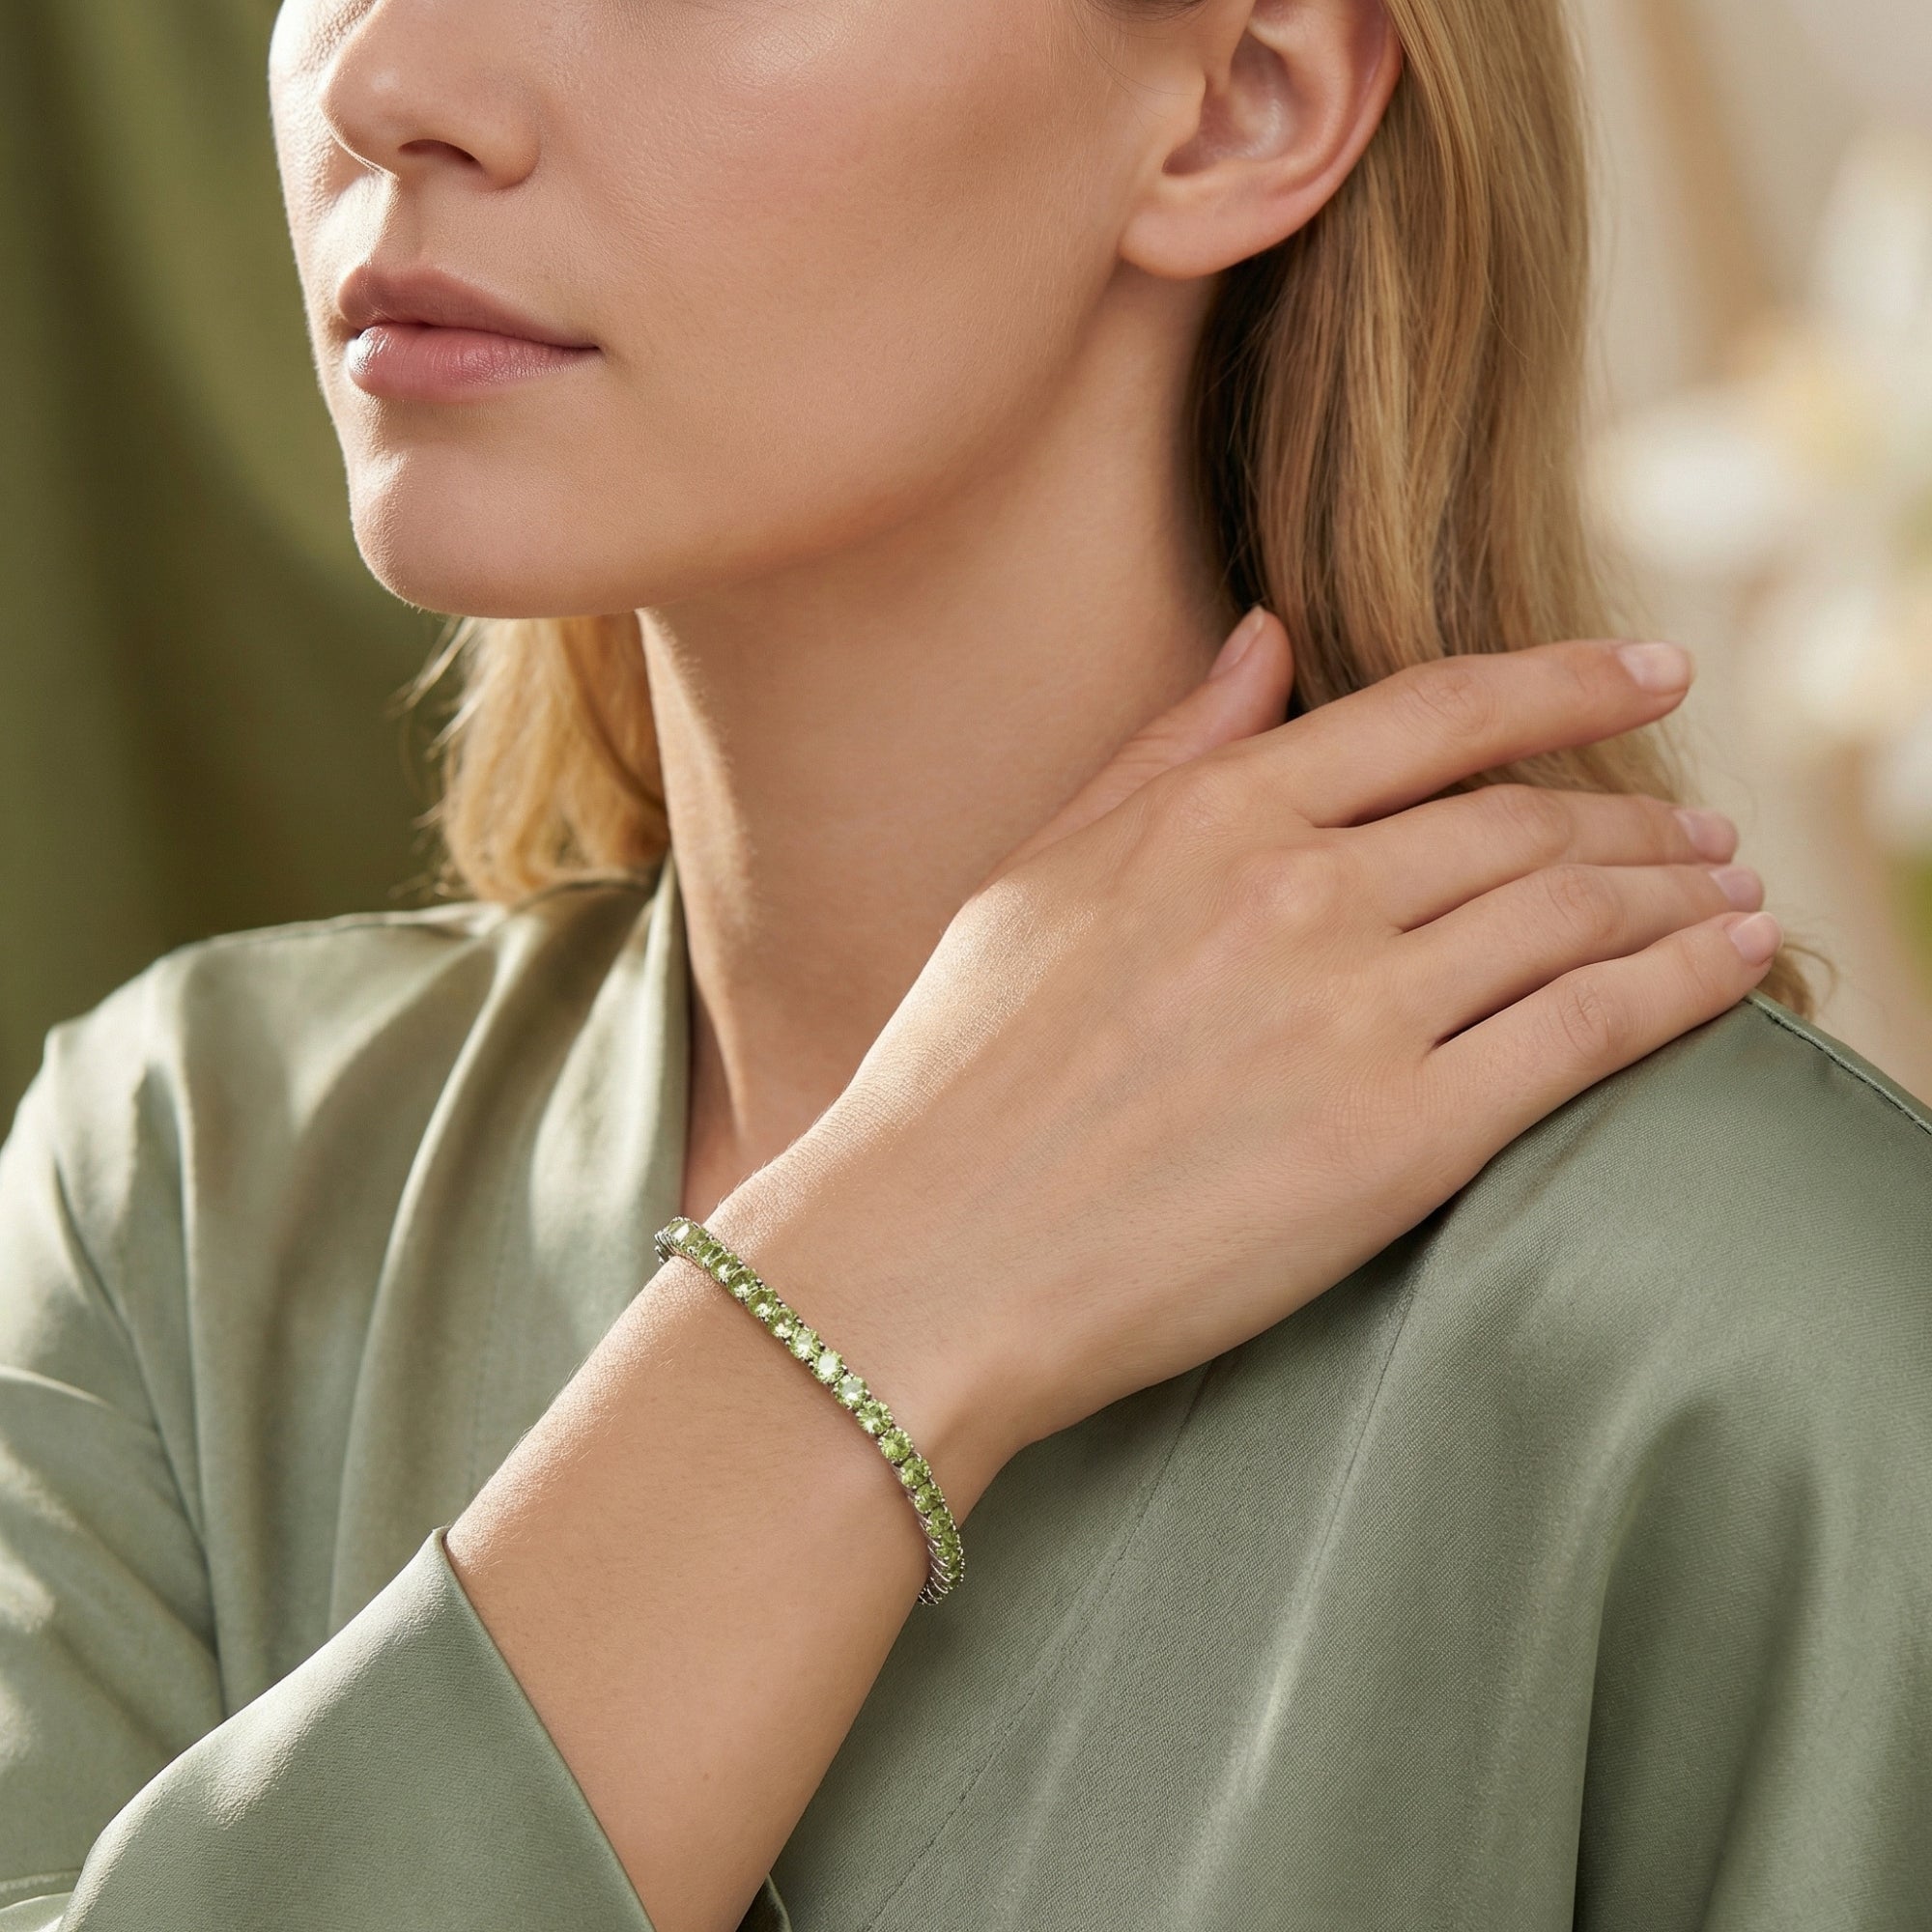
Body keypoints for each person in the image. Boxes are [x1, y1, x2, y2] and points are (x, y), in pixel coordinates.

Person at [2, 0, 1926, 1927]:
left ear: (1243, 103)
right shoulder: (185, 1188)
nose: (382, 81)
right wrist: (886, 1283)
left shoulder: (1759, 1333)